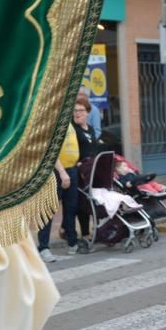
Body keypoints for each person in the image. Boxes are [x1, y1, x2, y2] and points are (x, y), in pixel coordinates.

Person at [37, 118, 84, 261]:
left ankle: (72, 242)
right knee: (49, 210)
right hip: (56, 172)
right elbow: (51, 150)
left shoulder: (67, 122)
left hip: (72, 170)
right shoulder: (51, 122)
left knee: (71, 207)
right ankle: (44, 248)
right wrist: (62, 172)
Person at [72, 96, 100, 244]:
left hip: (92, 169)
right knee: (82, 202)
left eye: (81, 110)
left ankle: (99, 228)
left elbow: (93, 149)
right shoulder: (73, 130)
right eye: (75, 111)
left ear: (88, 112)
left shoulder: (90, 129)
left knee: (94, 200)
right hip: (79, 170)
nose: (77, 113)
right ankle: (84, 233)